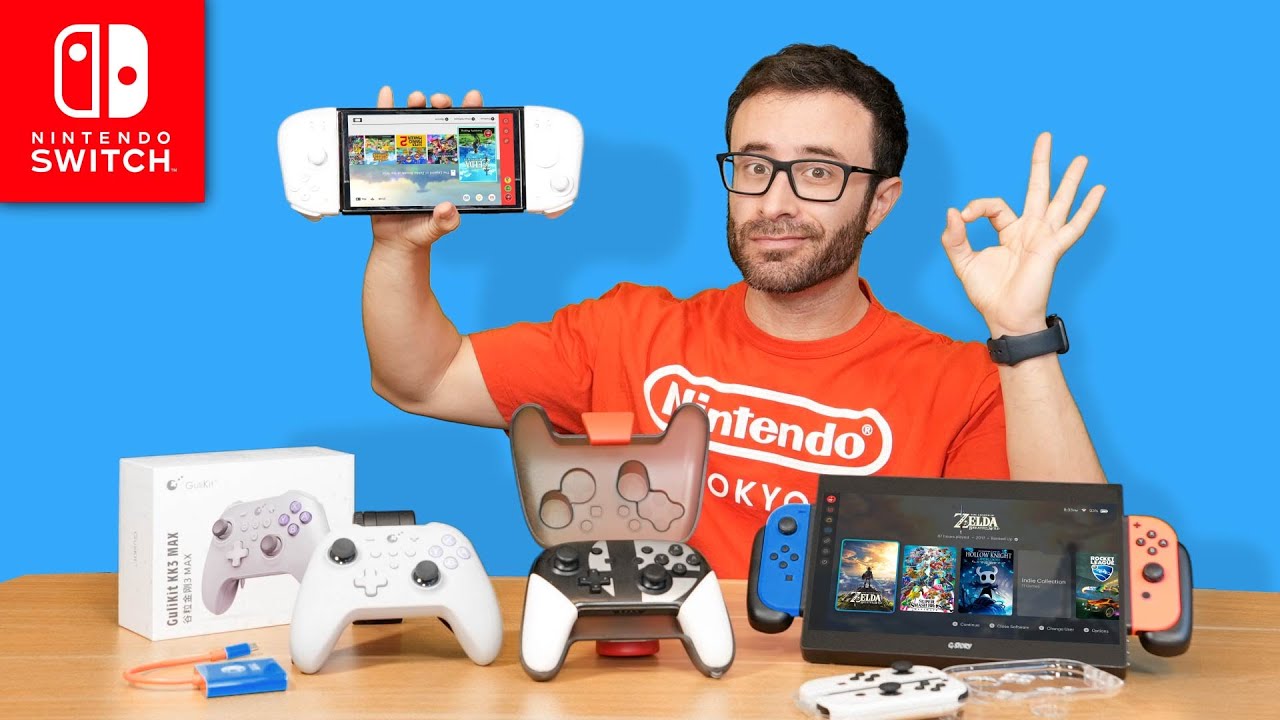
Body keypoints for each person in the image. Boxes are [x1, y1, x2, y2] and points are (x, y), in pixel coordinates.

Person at [360, 44, 1108, 578]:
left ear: (880, 202)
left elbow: (1073, 571)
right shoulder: (626, 332)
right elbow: (420, 379)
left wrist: (1020, 332)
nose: (774, 202)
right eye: (754, 166)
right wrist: (398, 248)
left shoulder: (966, 384)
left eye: (817, 171)